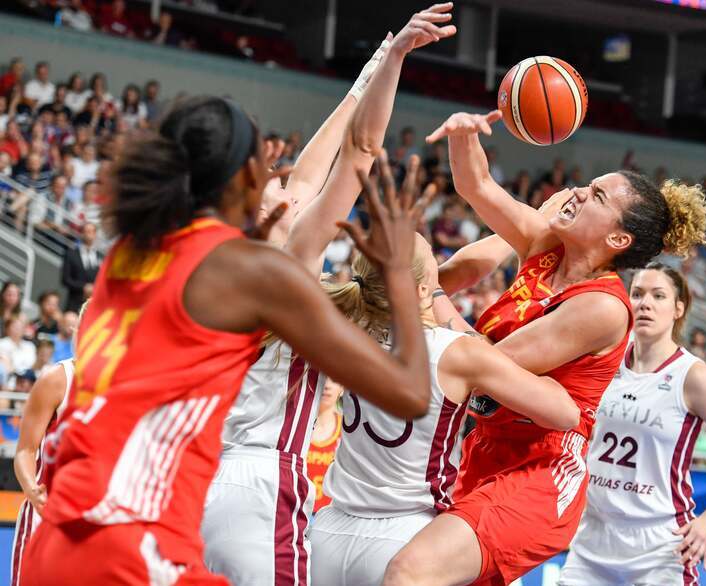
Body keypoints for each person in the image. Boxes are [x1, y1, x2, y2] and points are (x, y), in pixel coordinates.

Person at [21, 88, 432, 584]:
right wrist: (399, 278)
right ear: (245, 178)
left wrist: (370, 78)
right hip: (137, 539)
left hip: (66, 527)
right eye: (265, 163)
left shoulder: (129, 255)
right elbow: (409, 392)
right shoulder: (254, 274)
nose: (279, 176)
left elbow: (314, 178)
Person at [383, 110, 706, 586]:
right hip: (485, 447)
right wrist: (462, 136)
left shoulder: (602, 307)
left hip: (542, 469)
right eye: (589, 183)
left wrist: (428, 290)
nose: (579, 191)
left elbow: (486, 364)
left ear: (617, 239)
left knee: (409, 571)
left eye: (597, 195)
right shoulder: (547, 244)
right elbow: (478, 186)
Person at [202, 7, 454, 585]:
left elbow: (310, 174)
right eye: (279, 195)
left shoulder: (230, 267)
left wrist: (369, 72)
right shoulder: (284, 269)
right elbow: (360, 152)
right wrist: (391, 64)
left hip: (209, 480)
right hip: (265, 479)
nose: (292, 193)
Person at [310, 229, 579, 586]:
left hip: (328, 535)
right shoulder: (457, 351)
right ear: (424, 290)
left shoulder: (348, 327)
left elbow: (456, 271)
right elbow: (564, 413)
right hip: (403, 535)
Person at [558, 265, 706, 585]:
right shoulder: (604, 359)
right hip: (593, 538)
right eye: (637, 294)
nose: (645, 303)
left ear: (678, 308)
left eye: (658, 295)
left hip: (659, 545)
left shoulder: (694, 376)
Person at [10, 302, 85, 586]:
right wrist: (31, 488)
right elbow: (26, 449)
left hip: (93, 520)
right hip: (46, 511)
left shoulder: (124, 384)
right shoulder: (58, 378)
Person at [306, 380, 344, 514]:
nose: (327, 386)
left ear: (342, 388)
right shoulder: (296, 426)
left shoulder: (348, 431)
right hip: (296, 512)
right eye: (322, 378)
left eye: (334, 380)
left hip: (331, 517)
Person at [60, 222, 101, 312]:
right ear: (81, 234)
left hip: (93, 304)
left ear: (95, 235)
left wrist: (94, 288)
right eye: (86, 231)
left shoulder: (100, 256)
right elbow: (65, 279)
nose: (89, 234)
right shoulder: (71, 254)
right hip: (74, 302)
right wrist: (83, 287)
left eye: (91, 231)